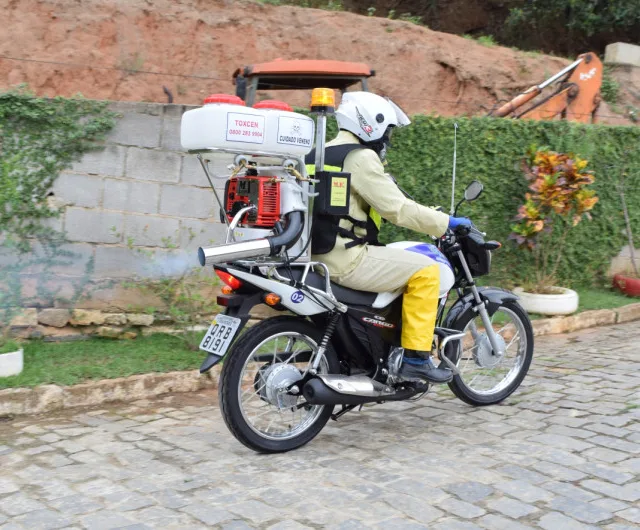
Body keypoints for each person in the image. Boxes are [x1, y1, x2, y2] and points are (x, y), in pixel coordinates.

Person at [308, 92, 471, 383]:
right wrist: (446, 222)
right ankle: (415, 358)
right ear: (372, 124)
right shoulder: (361, 158)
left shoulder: (319, 152)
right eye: (388, 132)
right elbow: (397, 210)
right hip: (347, 259)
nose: (388, 140)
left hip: (314, 256)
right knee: (426, 271)